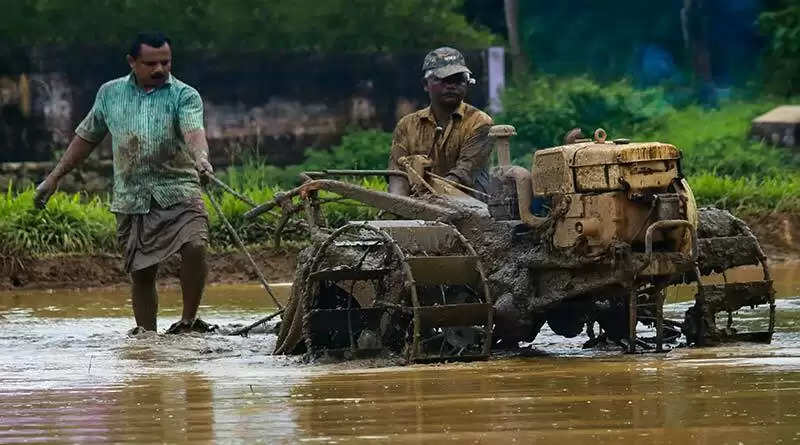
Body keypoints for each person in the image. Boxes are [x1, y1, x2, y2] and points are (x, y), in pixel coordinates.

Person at [33, 31, 215, 335]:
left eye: (165, 62)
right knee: (142, 272)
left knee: (196, 245)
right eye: (150, 63)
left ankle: (188, 322)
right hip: (132, 197)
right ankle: (146, 337)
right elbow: (86, 137)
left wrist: (201, 159)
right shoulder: (110, 93)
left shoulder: (185, 95)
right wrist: (53, 179)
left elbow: (193, 130)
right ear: (132, 62)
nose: (159, 69)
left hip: (179, 189)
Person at [388, 47, 493, 196]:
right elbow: (398, 175)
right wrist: (396, 208)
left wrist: (427, 201)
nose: (451, 85)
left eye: (458, 79)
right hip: (418, 208)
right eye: (443, 79)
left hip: (472, 209)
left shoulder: (480, 122)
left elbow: (462, 175)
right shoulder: (407, 125)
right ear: (425, 84)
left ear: (467, 83)